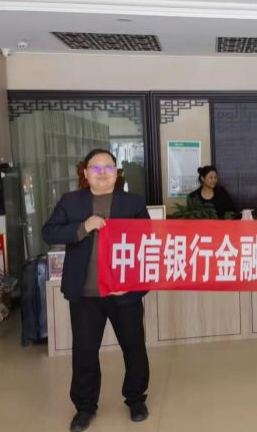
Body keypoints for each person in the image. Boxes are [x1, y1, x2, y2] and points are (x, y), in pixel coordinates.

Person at [42, 149, 150, 432]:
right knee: (85, 352)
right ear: (85, 172)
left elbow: (148, 242)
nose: (103, 173)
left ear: (117, 172)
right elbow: (49, 232)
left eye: (109, 168)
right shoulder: (70, 201)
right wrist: (83, 227)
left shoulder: (133, 202)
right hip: (85, 294)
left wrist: (132, 282)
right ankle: (85, 407)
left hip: (123, 291)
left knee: (134, 346)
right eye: (96, 168)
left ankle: (136, 398)